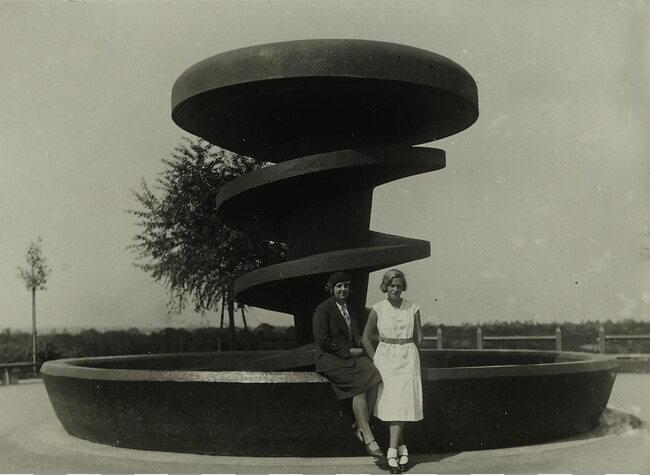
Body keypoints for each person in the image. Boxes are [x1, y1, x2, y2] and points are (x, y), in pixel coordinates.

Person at [313, 271, 384, 457]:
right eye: (339, 286)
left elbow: (358, 337)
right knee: (360, 386)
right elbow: (322, 340)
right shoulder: (323, 309)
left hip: (350, 358)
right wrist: (347, 352)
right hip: (329, 358)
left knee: (375, 375)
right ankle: (369, 437)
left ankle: (361, 426)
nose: (343, 289)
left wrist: (375, 355)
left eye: (346, 285)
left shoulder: (350, 309)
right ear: (331, 288)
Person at [362, 269, 423, 473]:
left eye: (398, 285)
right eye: (391, 285)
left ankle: (393, 451)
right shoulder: (377, 308)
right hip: (386, 360)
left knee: (402, 405)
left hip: (408, 359)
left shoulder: (413, 307)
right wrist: (376, 359)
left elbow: (419, 338)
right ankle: (400, 449)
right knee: (393, 406)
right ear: (385, 287)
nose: (395, 289)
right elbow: (365, 339)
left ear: (402, 286)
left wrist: (407, 351)